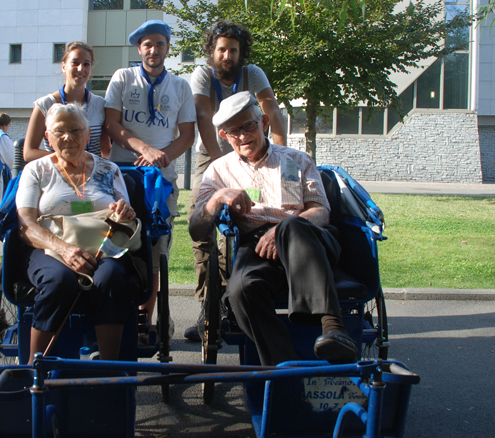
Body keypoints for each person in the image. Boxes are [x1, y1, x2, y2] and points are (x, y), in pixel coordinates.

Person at [189, 92, 357, 366]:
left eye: (249, 126)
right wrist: (217, 198)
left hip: (308, 239)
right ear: (224, 135)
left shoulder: (297, 159)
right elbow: (197, 229)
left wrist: (281, 231)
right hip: (257, 246)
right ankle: (283, 367)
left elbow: (320, 212)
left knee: (292, 224)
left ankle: (333, 328)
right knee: (241, 290)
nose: (242, 136)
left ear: (264, 122)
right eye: (233, 131)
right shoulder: (218, 170)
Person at [185, 20, 288, 342]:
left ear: (242, 53)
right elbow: (204, 117)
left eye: (233, 50)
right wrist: (223, 166)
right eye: (221, 50)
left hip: (254, 150)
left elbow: (272, 110)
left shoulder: (252, 74)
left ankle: (237, 301)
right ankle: (208, 308)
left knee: (257, 215)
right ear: (212, 51)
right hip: (213, 154)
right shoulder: (202, 75)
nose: (227, 55)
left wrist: (282, 152)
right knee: (202, 224)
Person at [16, 103, 137, 363]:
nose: (68, 137)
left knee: (111, 278)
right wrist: (64, 249)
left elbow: (126, 216)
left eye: (75, 130)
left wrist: (125, 210)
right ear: (48, 137)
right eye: (59, 131)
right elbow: (26, 225)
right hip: (50, 248)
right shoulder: (36, 170)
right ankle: (33, 366)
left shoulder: (109, 169)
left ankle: (109, 368)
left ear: (88, 134)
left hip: (103, 247)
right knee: (58, 280)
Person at [104, 19, 196, 322]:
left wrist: (160, 158)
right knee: (114, 243)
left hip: (162, 182)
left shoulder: (181, 86)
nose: (153, 50)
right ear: (139, 49)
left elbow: (187, 136)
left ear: (168, 48)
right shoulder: (123, 77)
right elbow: (112, 125)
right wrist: (144, 149)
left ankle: (145, 319)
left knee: (154, 253)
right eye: (147, 44)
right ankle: (113, 313)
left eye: (159, 44)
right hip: (122, 177)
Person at [23, 41, 110, 161]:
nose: (81, 68)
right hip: (57, 171)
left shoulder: (100, 104)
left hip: (91, 170)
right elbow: (29, 153)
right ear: (64, 66)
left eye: (86, 64)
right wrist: (68, 158)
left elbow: (106, 151)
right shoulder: (45, 105)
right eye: (75, 63)